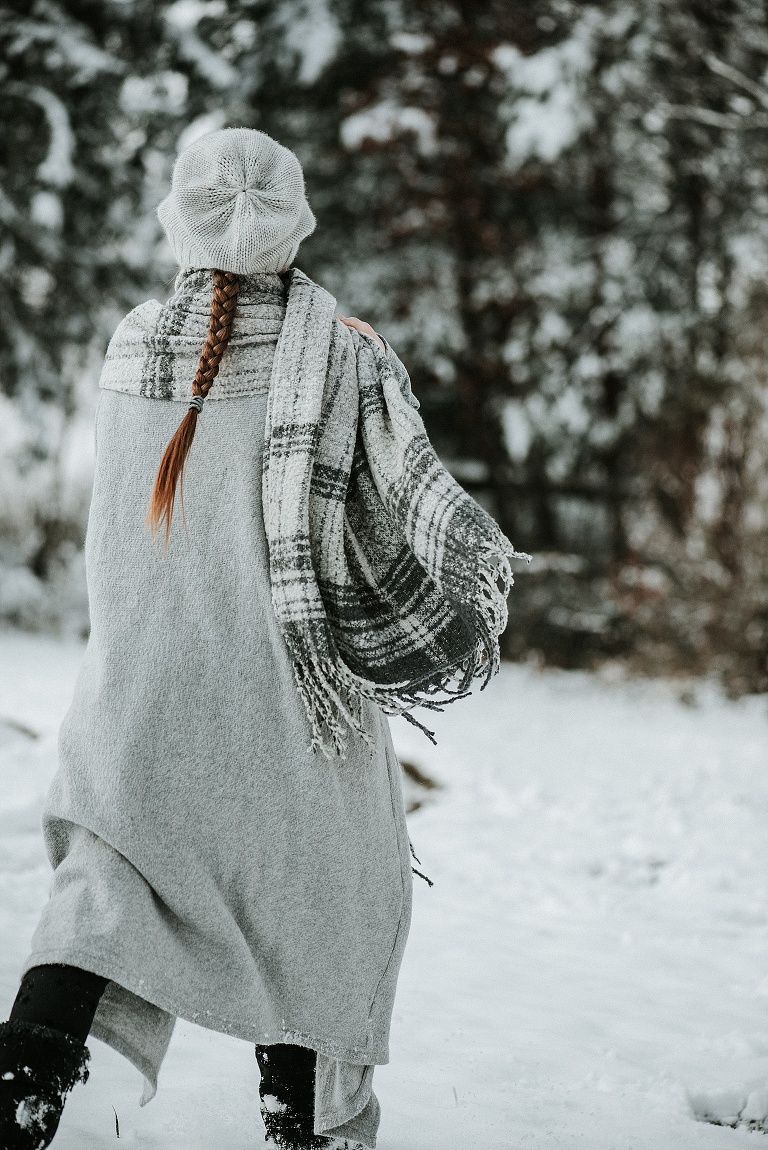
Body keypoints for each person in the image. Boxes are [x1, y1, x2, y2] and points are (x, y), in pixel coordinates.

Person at [0, 128, 523, 1150]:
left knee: (104, 901)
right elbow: (391, 530)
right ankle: (304, 1125)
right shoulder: (342, 355)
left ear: (179, 220)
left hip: (135, 705)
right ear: (295, 221)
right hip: (286, 711)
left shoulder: (132, 343)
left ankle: (24, 1089)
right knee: (318, 905)